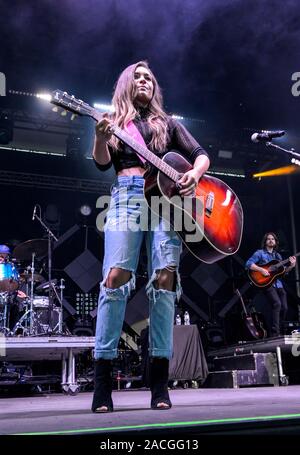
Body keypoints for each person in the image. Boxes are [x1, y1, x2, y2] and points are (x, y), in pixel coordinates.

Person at [92, 61, 210, 412]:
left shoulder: (168, 122)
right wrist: (100, 136)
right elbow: (101, 162)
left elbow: (201, 155)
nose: (143, 81)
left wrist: (194, 175)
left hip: (167, 201)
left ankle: (159, 384)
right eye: (137, 77)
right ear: (127, 84)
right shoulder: (114, 120)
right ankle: (102, 384)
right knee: (115, 278)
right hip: (127, 195)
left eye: (149, 78)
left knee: (165, 281)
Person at [245, 232, 296, 337]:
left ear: (275, 241)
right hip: (267, 284)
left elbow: (283, 272)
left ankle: (281, 330)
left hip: (278, 284)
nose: (271, 240)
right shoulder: (260, 253)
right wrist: (261, 270)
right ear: (265, 242)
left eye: (273, 239)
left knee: (285, 307)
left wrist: (291, 266)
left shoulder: (278, 256)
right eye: (268, 239)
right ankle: (275, 333)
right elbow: (248, 264)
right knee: (277, 304)